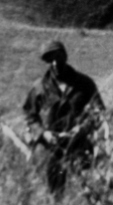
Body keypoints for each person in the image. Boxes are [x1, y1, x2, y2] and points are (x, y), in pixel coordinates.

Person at [23, 40, 104, 195]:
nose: (54, 63)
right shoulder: (40, 87)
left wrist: (82, 128)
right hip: (52, 149)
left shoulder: (85, 83)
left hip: (80, 147)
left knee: (85, 191)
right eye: (50, 59)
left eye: (58, 58)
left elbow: (99, 112)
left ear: (65, 56)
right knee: (56, 194)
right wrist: (43, 133)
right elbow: (29, 114)